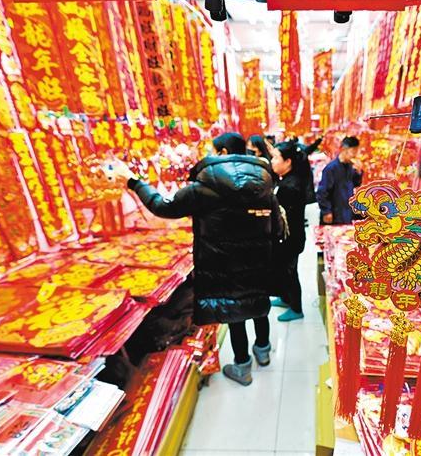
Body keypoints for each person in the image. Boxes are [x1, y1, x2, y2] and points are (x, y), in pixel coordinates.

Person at [105, 132, 282, 386]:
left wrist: (133, 182)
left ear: (222, 153)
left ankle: (242, 367)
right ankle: (263, 351)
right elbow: (276, 227)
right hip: (257, 262)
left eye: (213, 149)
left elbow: (162, 206)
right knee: (257, 304)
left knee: (234, 313)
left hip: (223, 265)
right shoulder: (264, 184)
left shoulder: (204, 187)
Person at [270, 141, 309, 322]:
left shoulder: (290, 186)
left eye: (276, 158)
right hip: (288, 236)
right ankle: (285, 298)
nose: (272, 161)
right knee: (283, 269)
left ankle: (296, 308)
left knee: (290, 272)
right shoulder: (286, 180)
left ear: (288, 162)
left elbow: (284, 217)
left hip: (290, 237)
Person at [316, 136, 363, 225]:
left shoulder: (351, 167)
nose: (355, 155)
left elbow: (356, 184)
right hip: (334, 212)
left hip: (346, 211)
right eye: (353, 151)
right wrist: (326, 211)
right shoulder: (331, 168)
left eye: (356, 151)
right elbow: (322, 192)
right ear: (344, 149)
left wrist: (359, 172)